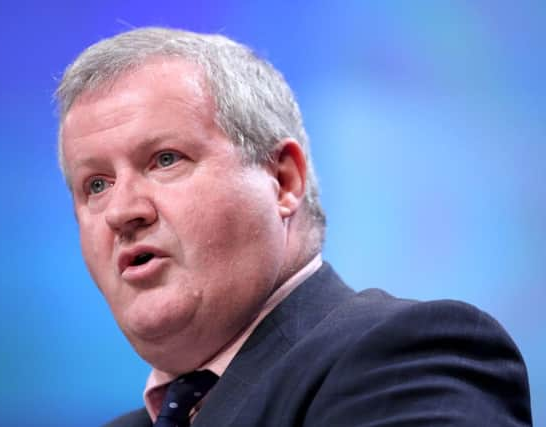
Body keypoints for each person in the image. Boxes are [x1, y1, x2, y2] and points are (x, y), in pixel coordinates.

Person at [55, 27, 532, 427]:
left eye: (164, 159)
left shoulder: (403, 358)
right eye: (96, 185)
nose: (122, 211)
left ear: (283, 181)